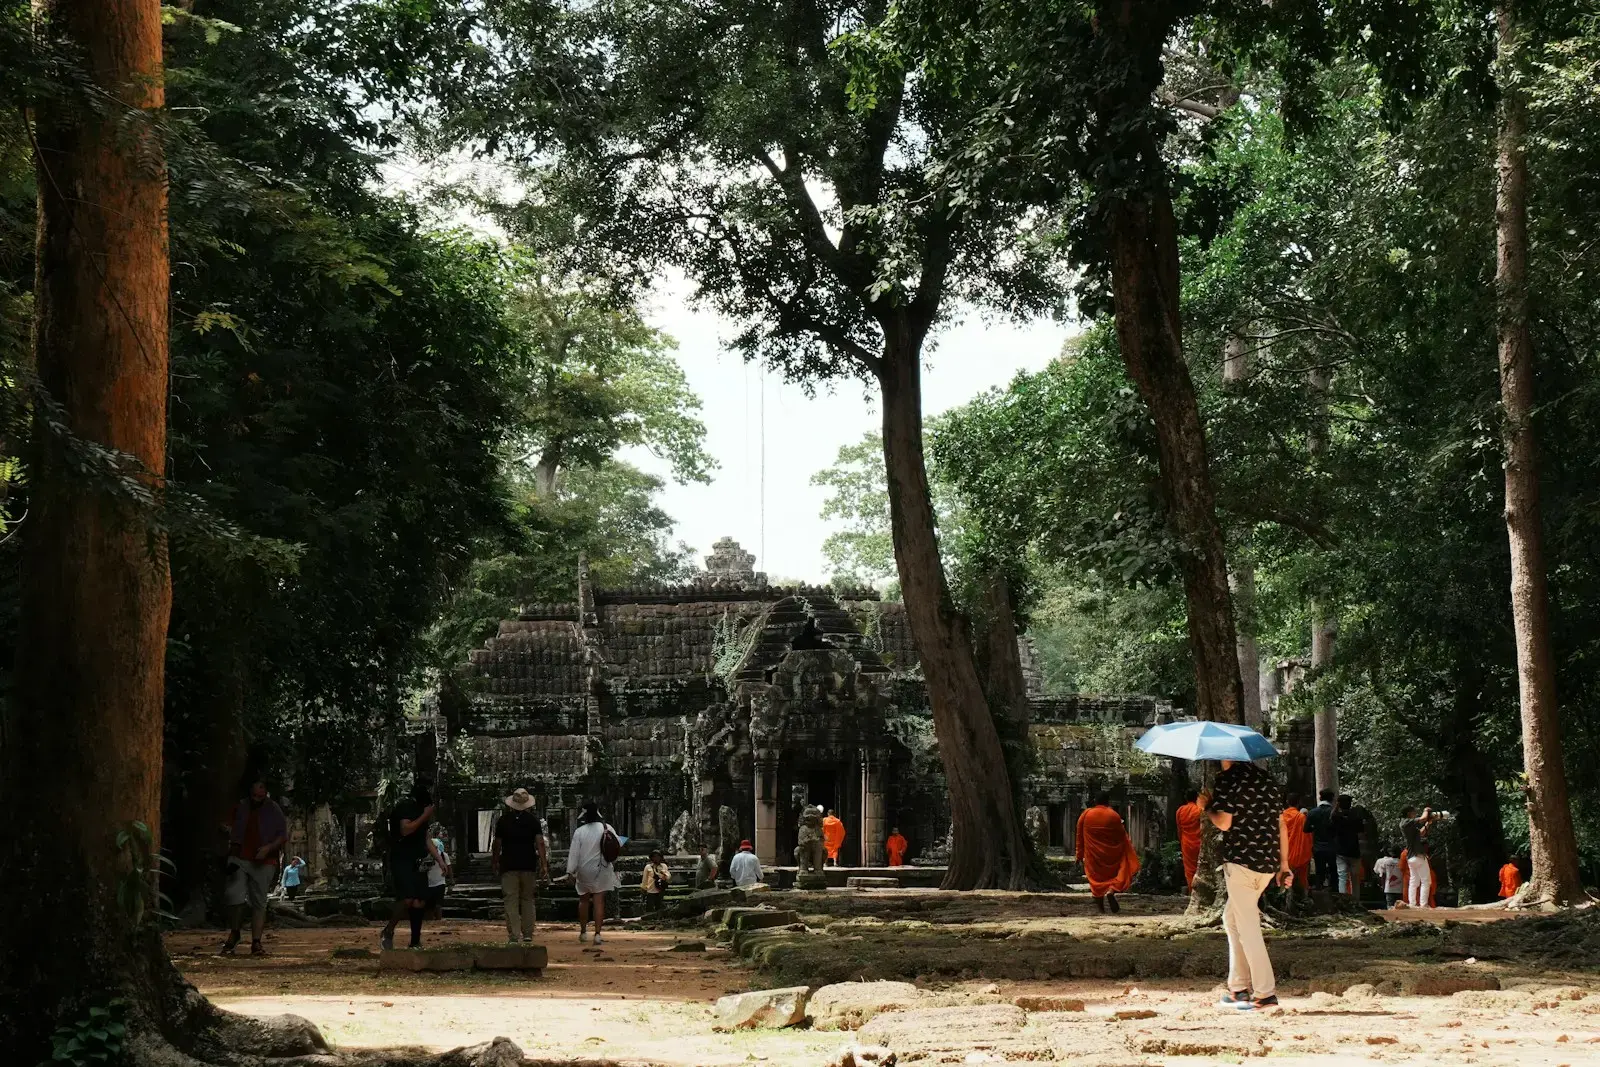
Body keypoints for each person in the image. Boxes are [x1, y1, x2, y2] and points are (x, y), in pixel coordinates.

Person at [1200, 757, 1292, 1012]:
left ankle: (1265, 993)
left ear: (1225, 756)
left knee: (1248, 927)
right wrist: (1284, 865)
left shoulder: (1228, 780)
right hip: (1268, 863)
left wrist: (1206, 807)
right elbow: (1281, 824)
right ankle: (1238, 988)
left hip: (1241, 862)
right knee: (1231, 919)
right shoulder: (1267, 781)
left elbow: (1224, 822)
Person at [219, 780, 288, 956]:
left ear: (266, 793)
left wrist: (267, 848)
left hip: (264, 860)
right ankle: (235, 933)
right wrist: (227, 829)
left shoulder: (273, 809)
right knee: (234, 896)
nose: (257, 799)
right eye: (254, 795)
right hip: (239, 857)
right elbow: (227, 824)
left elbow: (282, 835)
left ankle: (256, 942)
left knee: (259, 901)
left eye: (261, 795)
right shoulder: (241, 806)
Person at [380, 779, 437, 950]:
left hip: (419, 860)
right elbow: (406, 829)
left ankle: (415, 941)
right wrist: (425, 815)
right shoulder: (405, 806)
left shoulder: (422, 809)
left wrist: (440, 861)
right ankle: (388, 931)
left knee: (419, 901)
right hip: (402, 858)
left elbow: (426, 838)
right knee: (407, 898)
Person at [493, 787, 548, 944]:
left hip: (508, 864)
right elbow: (540, 843)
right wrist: (544, 864)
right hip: (528, 864)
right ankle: (528, 933)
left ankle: (514, 935)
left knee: (510, 900)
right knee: (528, 899)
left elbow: (497, 844)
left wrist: (495, 861)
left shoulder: (503, 821)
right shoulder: (533, 821)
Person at [566, 800, 620, 944]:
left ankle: (583, 931)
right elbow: (617, 845)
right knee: (599, 901)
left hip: (584, 869)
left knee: (583, 899)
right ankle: (597, 934)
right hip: (602, 868)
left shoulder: (580, 831)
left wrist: (570, 871)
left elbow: (574, 853)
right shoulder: (606, 827)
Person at [1075, 793, 1140, 914]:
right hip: (1111, 855)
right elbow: (1122, 836)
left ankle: (1101, 909)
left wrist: (1079, 855)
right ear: (1108, 801)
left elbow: (1079, 836)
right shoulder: (1113, 815)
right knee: (1117, 874)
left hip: (1093, 856)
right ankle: (1111, 890)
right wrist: (1126, 850)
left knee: (1095, 880)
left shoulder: (1086, 814)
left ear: (1095, 801)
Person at [1400, 806, 1438, 909]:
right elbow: (1422, 818)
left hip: (1411, 857)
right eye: (1413, 812)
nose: (1415, 814)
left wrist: (1428, 824)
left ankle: (1412, 904)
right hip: (1418, 855)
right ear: (1408, 813)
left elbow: (1421, 833)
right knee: (1426, 881)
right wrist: (1426, 810)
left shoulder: (1407, 825)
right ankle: (1423, 905)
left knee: (1414, 881)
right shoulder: (1406, 822)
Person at [1302, 789, 1338, 892]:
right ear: (1332, 799)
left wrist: (1315, 827)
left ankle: (1319, 892)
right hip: (1332, 846)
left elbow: (1306, 829)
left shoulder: (1313, 812)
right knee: (1333, 871)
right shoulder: (1334, 812)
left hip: (1318, 847)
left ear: (1320, 798)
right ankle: (1335, 893)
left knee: (1319, 871)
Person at [1332, 795, 1364, 900]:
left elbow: (1331, 819)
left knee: (1342, 876)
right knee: (1355, 878)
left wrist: (1336, 807)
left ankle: (1343, 900)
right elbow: (1361, 831)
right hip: (1354, 851)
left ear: (1339, 804)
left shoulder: (1337, 817)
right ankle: (1356, 900)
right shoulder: (1355, 817)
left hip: (1340, 851)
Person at [1281, 797, 1313, 897]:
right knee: (1302, 876)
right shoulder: (1301, 817)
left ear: (1287, 802)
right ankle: (1304, 897)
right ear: (1299, 803)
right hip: (1299, 851)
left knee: (1285, 875)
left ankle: (1283, 896)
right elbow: (1308, 836)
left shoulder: (1282, 816)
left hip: (1284, 851)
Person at [1174, 790, 1204, 891]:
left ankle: (1192, 891)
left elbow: (1179, 829)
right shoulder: (1199, 810)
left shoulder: (1180, 810)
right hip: (1199, 842)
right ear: (1197, 798)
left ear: (1186, 798)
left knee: (1189, 869)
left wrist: (1181, 841)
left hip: (1186, 843)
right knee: (1200, 867)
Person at [424, 828, 452, 920]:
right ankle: (430, 922)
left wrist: (451, 879)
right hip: (428, 884)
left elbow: (449, 867)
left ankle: (439, 921)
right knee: (429, 906)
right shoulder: (425, 856)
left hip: (440, 882)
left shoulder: (443, 855)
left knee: (438, 905)